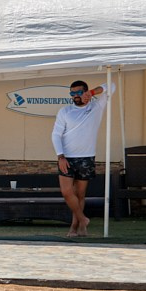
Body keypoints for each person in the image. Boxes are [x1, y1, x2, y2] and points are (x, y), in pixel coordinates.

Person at [51, 80, 110, 237]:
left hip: (86, 157)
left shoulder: (96, 106)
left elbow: (111, 86)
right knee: (66, 192)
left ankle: (76, 227)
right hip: (67, 158)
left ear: (85, 92)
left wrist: (92, 93)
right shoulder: (65, 111)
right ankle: (83, 219)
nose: (75, 96)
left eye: (78, 92)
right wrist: (60, 156)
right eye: (72, 93)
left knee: (80, 195)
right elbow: (56, 135)